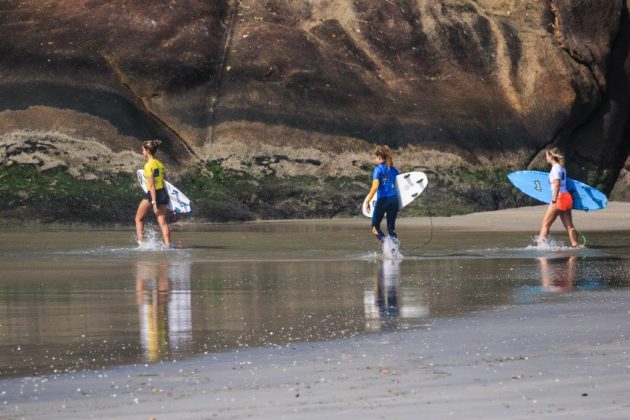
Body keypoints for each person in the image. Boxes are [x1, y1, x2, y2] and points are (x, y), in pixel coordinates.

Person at [538, 147, 579, 247]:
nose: (546, 158)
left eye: (547, 156)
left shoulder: (555, 168)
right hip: (566, 197)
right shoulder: (562, 168)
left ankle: (541, 247)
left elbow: (557, 185)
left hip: (559, 198)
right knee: (569, 226)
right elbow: (557, 181)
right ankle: (576, 245)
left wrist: (553, 200)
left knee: (545, 224)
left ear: (551, 156)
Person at [135, 140, 172, 247]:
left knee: (138, 219)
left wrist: (154, 202)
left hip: (153, 194)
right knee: (163, 222)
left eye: (143, 150)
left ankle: (141, 244)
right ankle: (167, 245)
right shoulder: (160, 164)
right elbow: (164, 181)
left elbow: (151, 185)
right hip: (163, 193)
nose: (142, 152)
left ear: (147, 151)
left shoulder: (148, 165)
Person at [364, 145, 400, 243]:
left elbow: (375, 187)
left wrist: (367, 201)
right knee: (391, 228)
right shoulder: (394, 170)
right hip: (394, 200)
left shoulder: (378, 169)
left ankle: (385, 245)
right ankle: (395, 251)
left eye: (376, 157)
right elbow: (400, 185)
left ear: (379, 157)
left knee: (374, 227)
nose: (375, 159)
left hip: (383, 201)